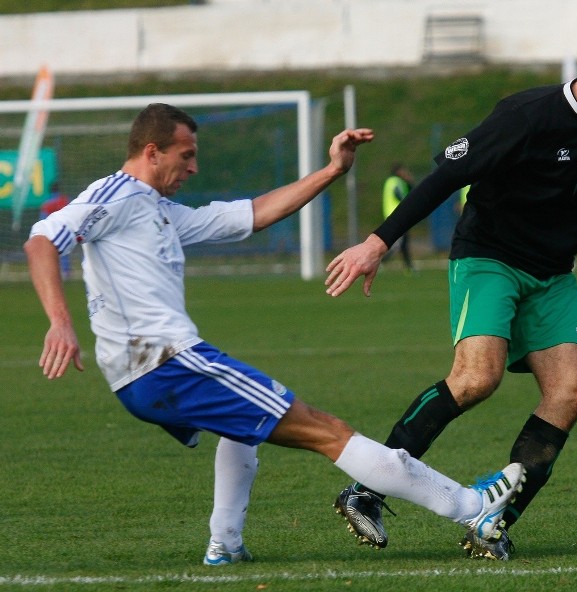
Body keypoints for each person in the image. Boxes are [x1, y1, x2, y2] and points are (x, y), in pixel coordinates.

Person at [23, 103, 526, 566]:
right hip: (168, 362)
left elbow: (256, 213)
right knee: (325, 429)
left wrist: (332, 171)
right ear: (151, 152)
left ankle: (225, 544)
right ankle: (469, 505)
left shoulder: (162, 212)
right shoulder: (118, 195)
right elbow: (43, 238)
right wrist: (61, 323)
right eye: (187, 155)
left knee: (241, 432)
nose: (194, 167)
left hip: (146, 374)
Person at [325, 23, 577, 560]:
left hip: (553, 274)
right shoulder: (525, 116)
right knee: (475, 378)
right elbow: (444, 177)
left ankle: (492, 522)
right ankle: (368, 486)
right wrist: (377, 243)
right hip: (490, 259)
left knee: (572, 393)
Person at [382, 163, 415, 271]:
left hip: (399, 215)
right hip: (396, 215)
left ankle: (409, 266)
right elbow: (398, 194)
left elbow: (411, 192)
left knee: (404, 242)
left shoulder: (400, 182)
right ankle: (379, 261)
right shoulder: (394, 181)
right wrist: (405, 204)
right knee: (397, 244)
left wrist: (409, 182)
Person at [39, 182, 72, 279]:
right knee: (65, 252)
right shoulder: (65, 200)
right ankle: (66, 271)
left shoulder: (47, 203)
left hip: (52, 231)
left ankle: (53, 273)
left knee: (51, 253)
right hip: (66, 229)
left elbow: (43, 219)